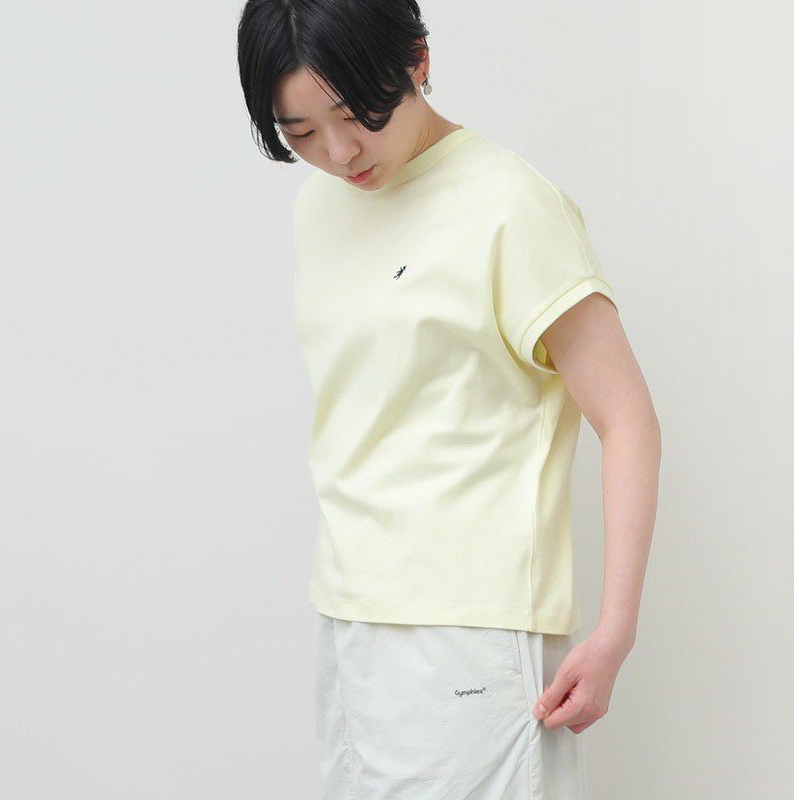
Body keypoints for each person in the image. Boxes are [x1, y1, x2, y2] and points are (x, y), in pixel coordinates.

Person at [237, 1, 661, 797]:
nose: (339, 151)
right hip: (350, 614)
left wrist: (615, 631)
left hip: (473, 626)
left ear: (418, 61)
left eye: (355, 114)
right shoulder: (320, 206)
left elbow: (627, 417)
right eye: (301, 132)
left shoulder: (509, 205)